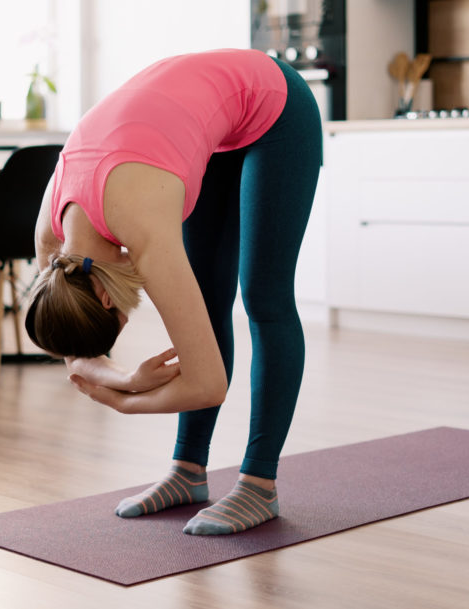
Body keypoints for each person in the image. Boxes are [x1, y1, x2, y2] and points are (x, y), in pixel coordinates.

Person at [25, 48, 322, 535]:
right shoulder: (53, 249)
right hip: (194, 117)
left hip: (274, 104)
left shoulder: (142, 225)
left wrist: (126, 399)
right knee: (205, 299)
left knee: (265, 300)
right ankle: (187, 473)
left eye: (115, 327)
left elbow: (208, 382)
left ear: (104, 298)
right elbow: (77, 359)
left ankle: (258, 485)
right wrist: (125, 376)